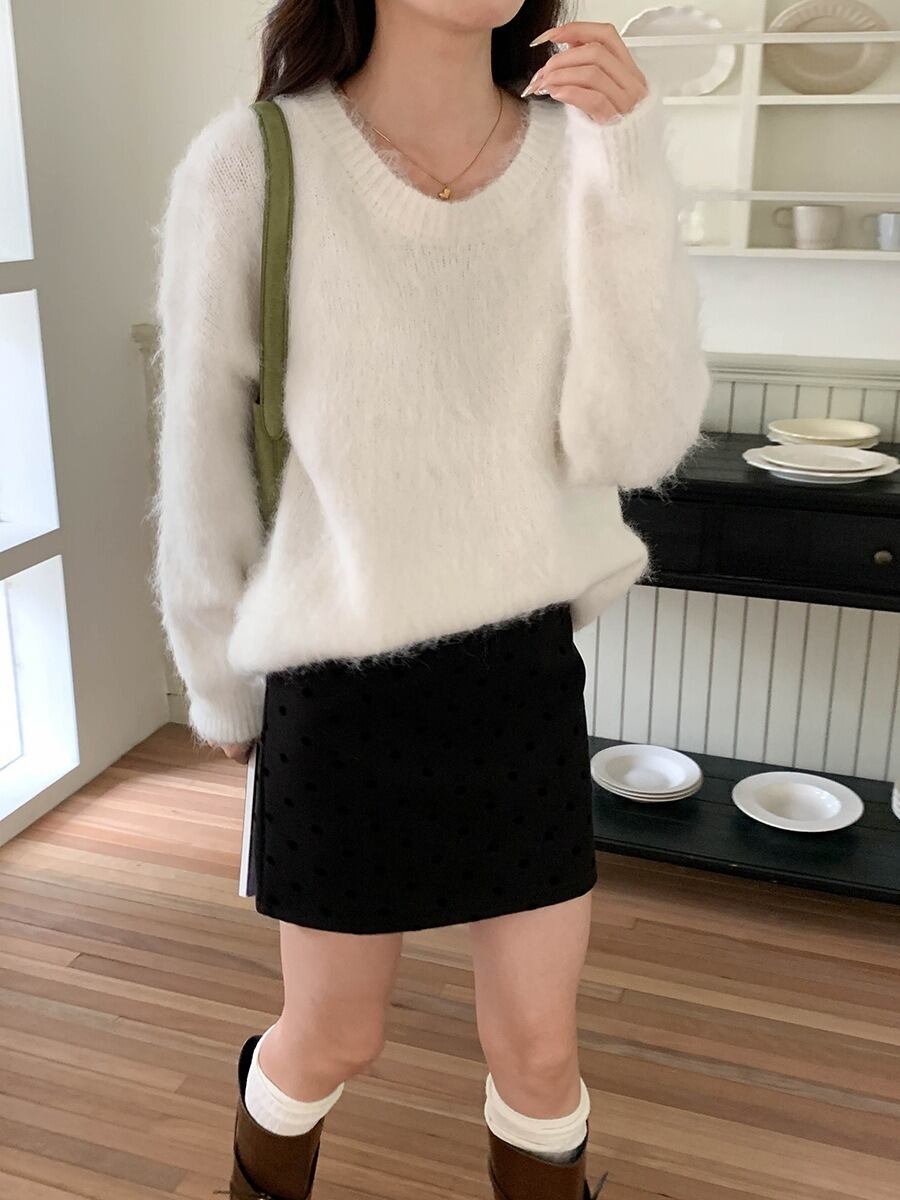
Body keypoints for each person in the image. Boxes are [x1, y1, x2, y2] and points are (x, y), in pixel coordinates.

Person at [151, 2, 710, 1197]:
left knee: (541, 1053)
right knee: (333, 1038)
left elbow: (634, 440)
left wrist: (631, 165)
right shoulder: (254, 162)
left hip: (518, 678)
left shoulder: (580, 154)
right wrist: (219, 685)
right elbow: (200, 456)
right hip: (338, 685)